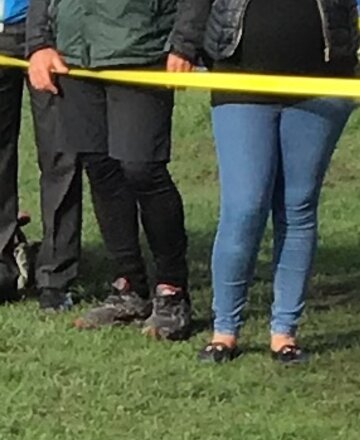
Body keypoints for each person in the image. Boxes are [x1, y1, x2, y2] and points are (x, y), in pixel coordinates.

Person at [27, 0, 206, 340]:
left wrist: (185, 42)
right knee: (101, 169)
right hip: (76, 56)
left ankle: (172, 290)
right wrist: (38, 43)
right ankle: (130, 287)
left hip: (141, 50)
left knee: (142, 169)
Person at [195, 0, 360, 365]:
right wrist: (184, 45)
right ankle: (224, 330)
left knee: (298, 207)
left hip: (322, 82)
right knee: (244, 207)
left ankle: (284, 331)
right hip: (239, 77)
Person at [0, 0, 83, 312]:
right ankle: (4, 266)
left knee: (60, 154)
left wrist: (43, 36)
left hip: (52, 29)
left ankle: (56, 277)